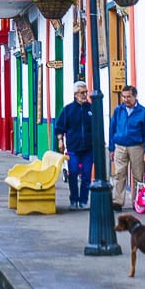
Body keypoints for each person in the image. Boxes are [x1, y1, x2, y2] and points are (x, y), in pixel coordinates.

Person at [109, 85, 145, 211]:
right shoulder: (118, 110)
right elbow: (112, 129)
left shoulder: (142, 112)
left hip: (137, 146)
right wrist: (111, 148)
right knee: (119, 174)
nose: (126, 99)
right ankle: (118, 201)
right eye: (124, 97)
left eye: (129, 96)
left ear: (135, 96)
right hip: (120, 146)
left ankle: (137, 201)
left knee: (138, 175)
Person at [54, 81, 93, 210]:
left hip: (88, 148)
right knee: (73, 173)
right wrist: (60, 140)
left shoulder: (91, 109)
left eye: (86, 92)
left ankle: (83, 201)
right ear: (75, 94)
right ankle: (73, 199)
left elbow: (97, 127)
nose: (84, 95)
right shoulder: (68, 110)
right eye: (82, 93)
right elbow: (60, 127)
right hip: (73, 148)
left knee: (87, 175)